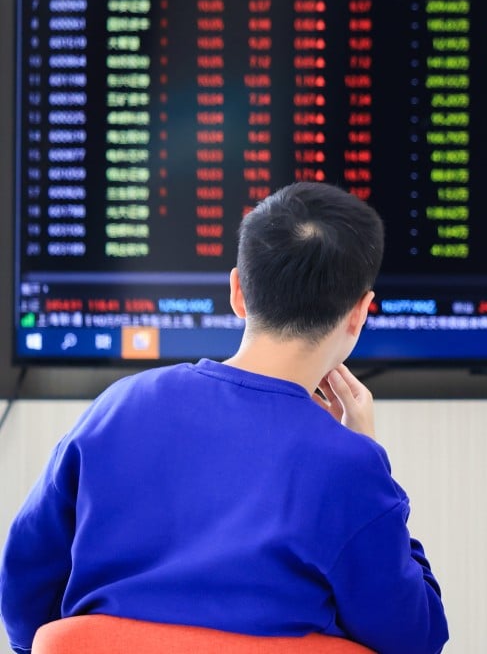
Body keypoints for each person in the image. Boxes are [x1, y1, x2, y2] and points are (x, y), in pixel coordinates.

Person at [0, 182, 448, 654]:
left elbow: (26, 592)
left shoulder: (120, 404)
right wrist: (370, 454)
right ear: (360, 313)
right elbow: (414, 637)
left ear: (237, 290)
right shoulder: (350, 464)